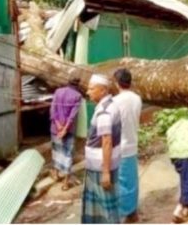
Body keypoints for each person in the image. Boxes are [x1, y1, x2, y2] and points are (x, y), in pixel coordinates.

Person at [81, 74, 122, 224]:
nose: (88, 92)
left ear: (103, 90)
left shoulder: (104, 112)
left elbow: (106, 141)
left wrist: (105, 172)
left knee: (105, 206)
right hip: (106, 164)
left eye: (92, 89)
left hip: (101, 167)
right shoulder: (111, 104)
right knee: (105, 204)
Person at [112, 69, 142, 223]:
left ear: (117, 83)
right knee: (131, 180)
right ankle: (132, 211)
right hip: (132, 143)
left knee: (120, 182)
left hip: (119, 146)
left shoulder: (115, 101)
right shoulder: (137, 99)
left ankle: (125, 213)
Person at [49, 77, 83, 191]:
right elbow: (72, 116)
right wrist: (65, 129)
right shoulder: (77, 96)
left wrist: (58, 126)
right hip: (68, 131)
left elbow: (53, 110)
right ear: (77, 85)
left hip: (55, 129)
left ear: (67, 82)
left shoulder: (58, 91)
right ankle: (65, 183)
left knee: (56, 151)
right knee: (68, 154)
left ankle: (56, 174)